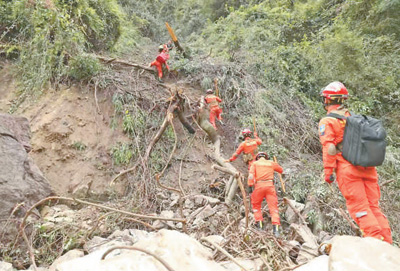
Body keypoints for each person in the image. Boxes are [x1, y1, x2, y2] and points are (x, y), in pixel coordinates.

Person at [318, 81, 392, 244]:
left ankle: (374, 244)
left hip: (348, 170)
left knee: (360, 209)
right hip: (368, 169)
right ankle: (387, 243)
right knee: (374, 207)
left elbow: (330, 148)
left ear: (328, 100)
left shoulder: (327, 121)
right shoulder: (353, 119)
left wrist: (328, 173)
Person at [247, 152, 283, 237]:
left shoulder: (254, 164)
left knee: (256, 206)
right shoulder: (271, 163)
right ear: (266, 157)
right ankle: (276, 231)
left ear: (257, 158)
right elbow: (281, 170)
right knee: (273, 208)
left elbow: (251, 176)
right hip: (270, 186)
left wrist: (250, 186)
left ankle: (260, 227)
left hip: (259, 186)